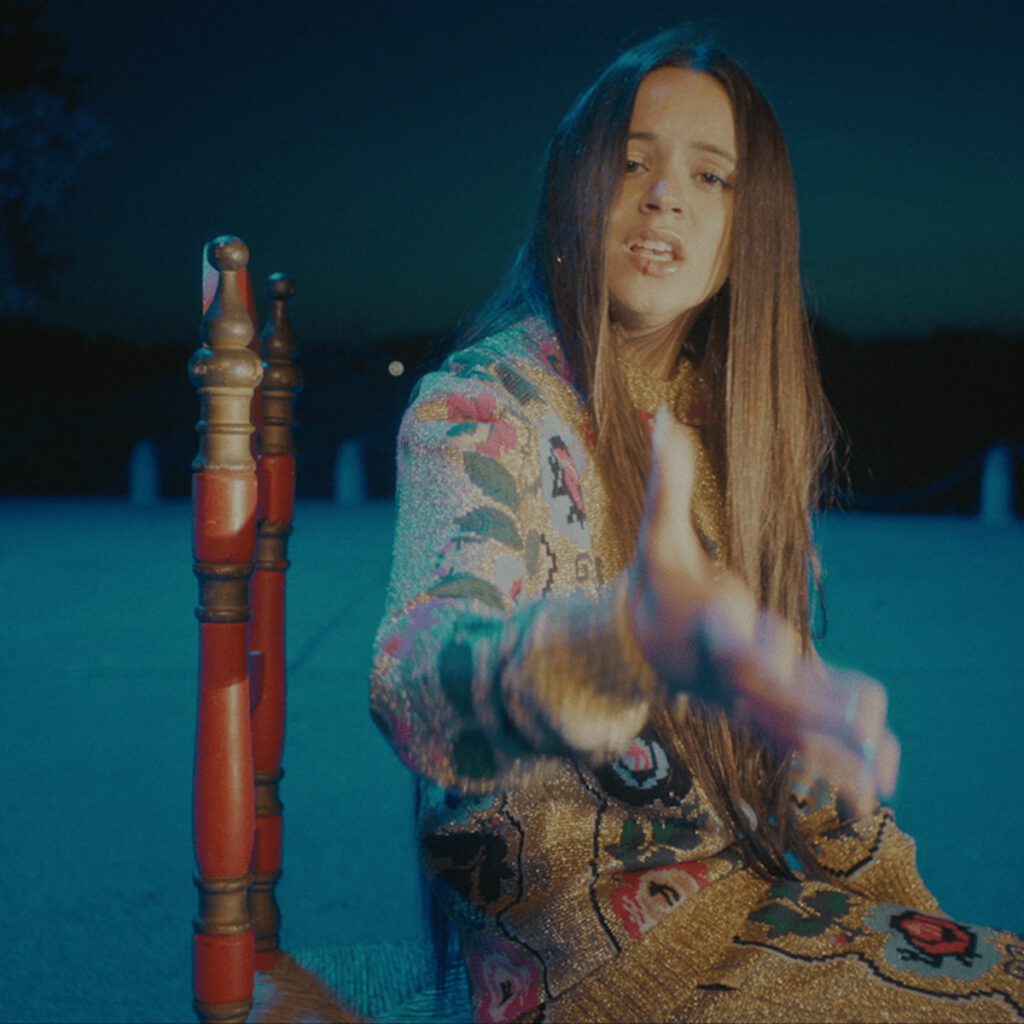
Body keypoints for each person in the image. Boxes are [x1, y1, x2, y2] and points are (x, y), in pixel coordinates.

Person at [369, 28, 1024, 1023]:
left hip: (752, 913)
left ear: (749, 227)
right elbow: (417, 680)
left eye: (710, 175)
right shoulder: (484, 409)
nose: (665, 194)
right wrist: (615, 647)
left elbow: (803, 759)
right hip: (581, 979)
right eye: (631, 160)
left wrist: (920, 929)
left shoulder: (730, 434)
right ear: (571, 186)